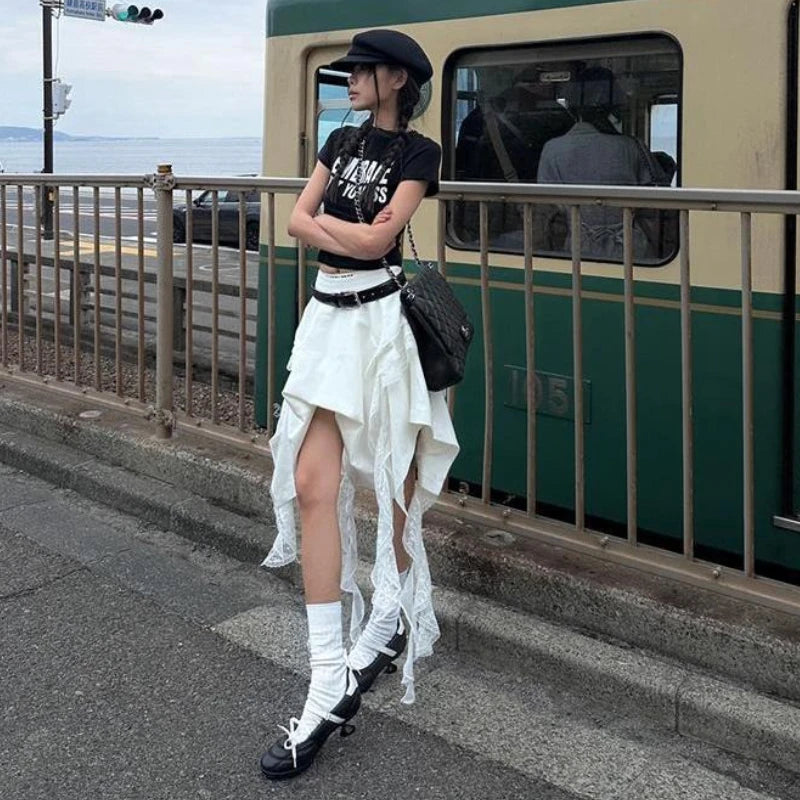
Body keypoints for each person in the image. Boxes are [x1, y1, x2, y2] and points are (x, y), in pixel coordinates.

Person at [258, 29, 459, 780]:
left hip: (380, 327)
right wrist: (349, 233)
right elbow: (295, 220)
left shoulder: (420, 154)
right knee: (312, 483)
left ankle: (386, 618)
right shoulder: (340, 140)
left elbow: (378, 245)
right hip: (326, 321)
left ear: (397, 79)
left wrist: (335, 231)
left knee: (393, 488)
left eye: (363, 70)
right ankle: (327, 679)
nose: (351, 79)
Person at [536, 65, 671, 261]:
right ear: (611, 106)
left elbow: (546, 209)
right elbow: (657, 196)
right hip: (632, 250)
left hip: (577, 249)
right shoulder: (632, 147)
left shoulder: (552, 149)